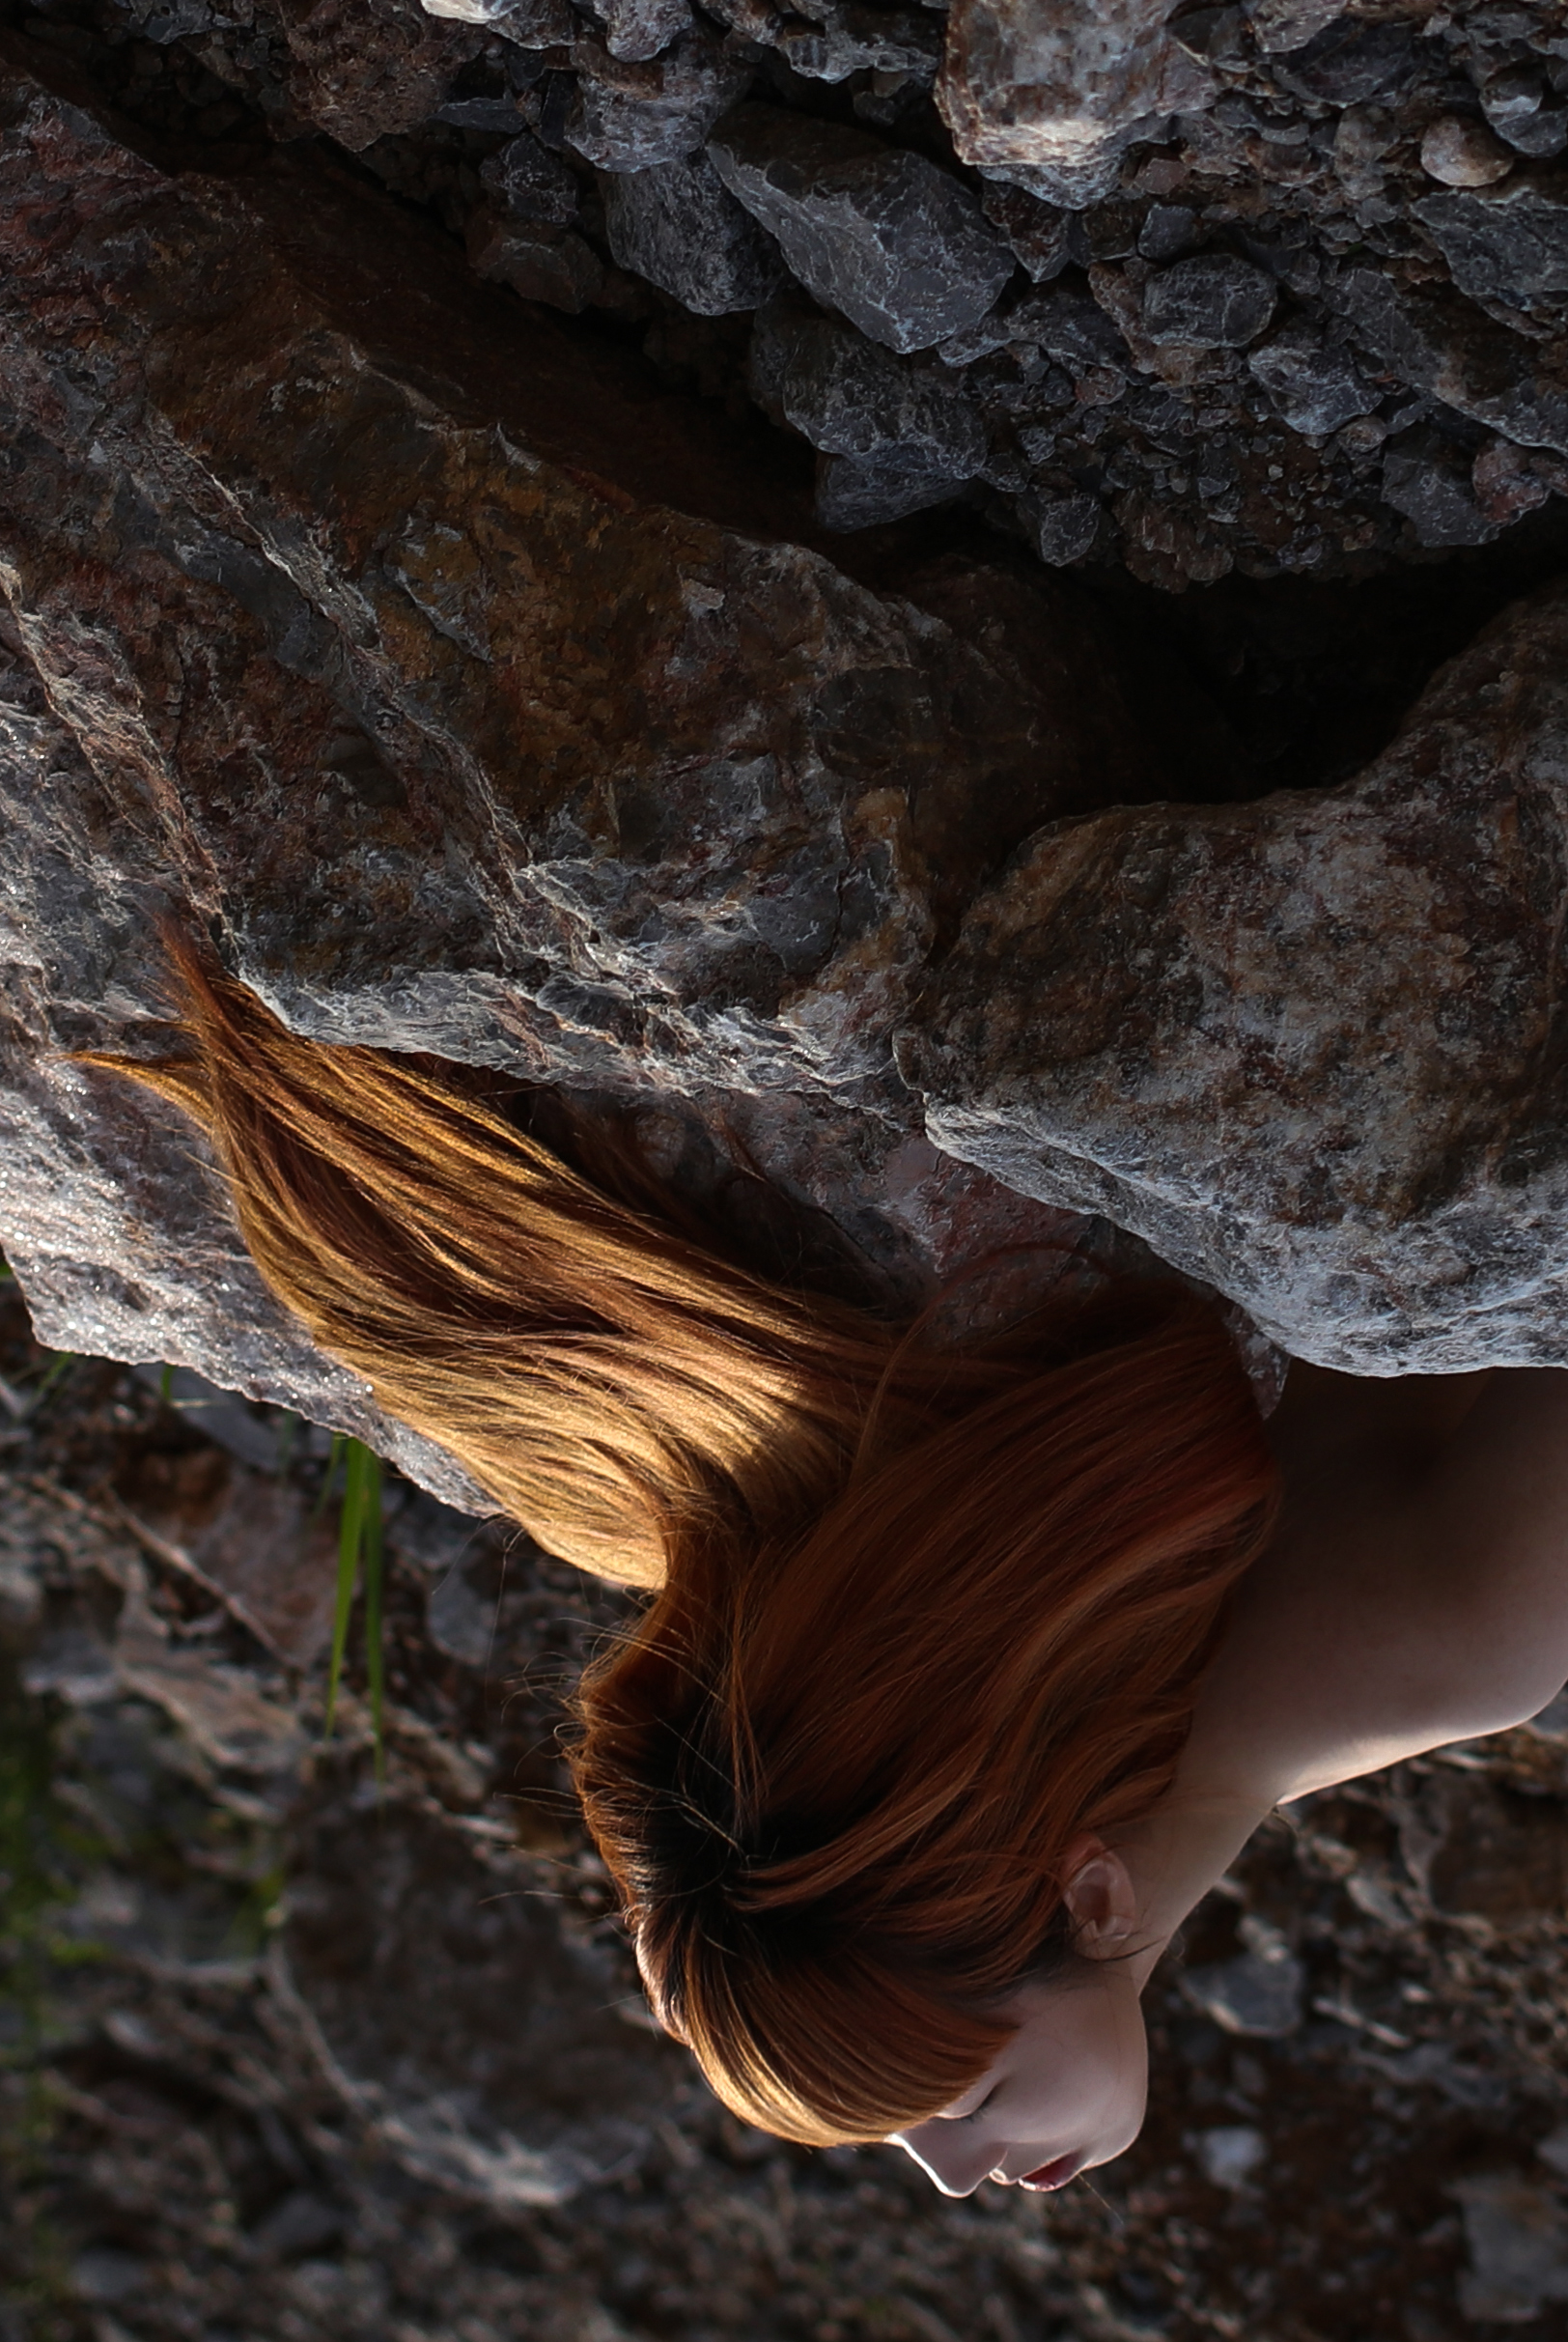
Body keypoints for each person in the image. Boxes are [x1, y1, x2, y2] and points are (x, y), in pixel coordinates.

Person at [64, 919, 1568, 2194]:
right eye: (931, 2121)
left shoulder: (1453, 1641)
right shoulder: (822, 1536)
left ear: (1103, 1901)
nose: (955, 2179)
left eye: (962, 2106)